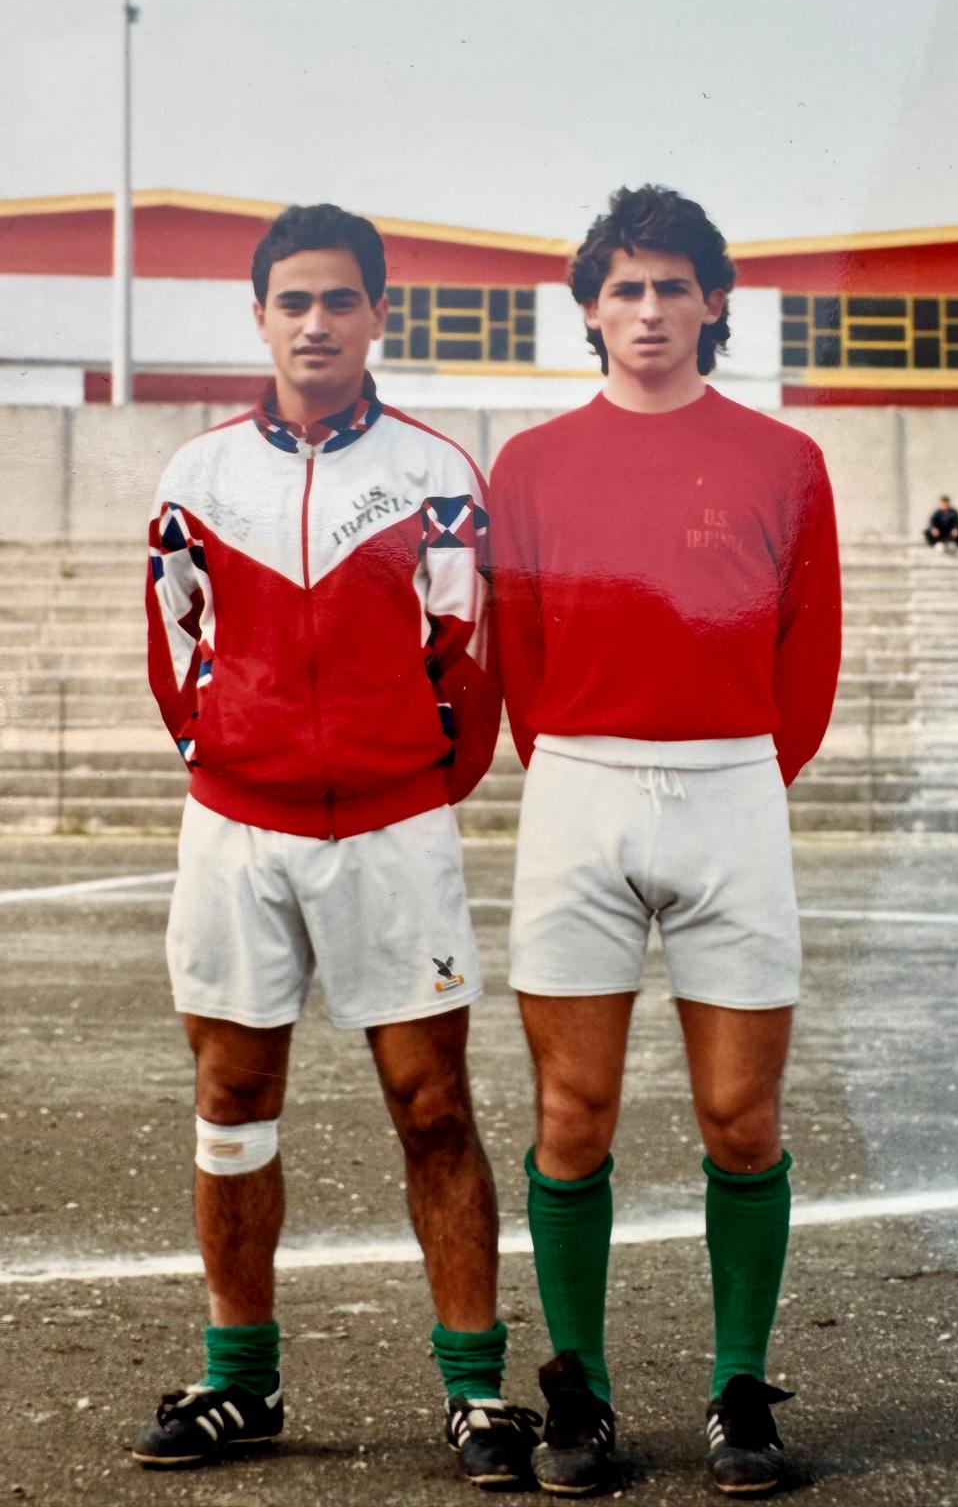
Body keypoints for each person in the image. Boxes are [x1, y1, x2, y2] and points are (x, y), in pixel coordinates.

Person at [137, 203, 539, 1487]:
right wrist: (231, 757)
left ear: (378, 314)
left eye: (340, 300)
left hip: (391, 826)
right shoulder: (197, 475)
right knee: (231, 1097)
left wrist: (407, 780)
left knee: (433, 1103)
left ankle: (476, 1391)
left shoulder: (435, 473)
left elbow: (468, 655)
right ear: (259, 317)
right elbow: (174, 647)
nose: (316, 323)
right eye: (294, 301)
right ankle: (239, 1379)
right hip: (236, 829)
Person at [489, 185, 841, 1497]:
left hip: (731, 785)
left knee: (740, 1118)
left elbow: (809, 651)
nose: (648, 309)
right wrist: (582, 767)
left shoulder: (783, 459)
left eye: (671, 285)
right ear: (590, 307)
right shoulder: (532, 463)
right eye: (624, 288)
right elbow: (519, 657)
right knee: (572, 1114)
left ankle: (739, 1388)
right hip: (578, 784)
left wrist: (734, 774)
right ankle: (577, 1391)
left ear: (713, 302)